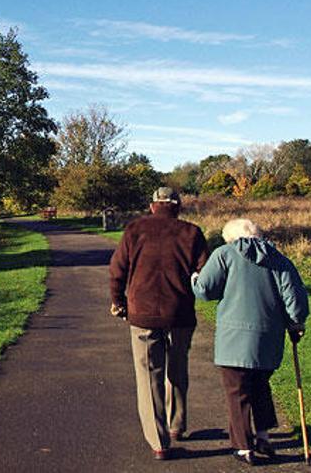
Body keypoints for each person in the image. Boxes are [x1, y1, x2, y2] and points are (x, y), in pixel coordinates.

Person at [192, 218, 308, 466]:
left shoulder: (224, 254)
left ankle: (244, 447)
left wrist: (194, 278)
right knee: (260, 386)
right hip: (269, 338)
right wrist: (297, 324)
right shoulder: (279, 259)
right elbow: (294, 299)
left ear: (231, 238)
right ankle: (264, 436)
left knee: (237, 392)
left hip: (233, 340)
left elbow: (204, 290)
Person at [108, 187, 209, 460]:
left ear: (153, 206)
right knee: (177, 370)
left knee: (148, 376)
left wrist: (118, 301)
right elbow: (204, 274)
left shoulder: (134, 230)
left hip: (142, 314)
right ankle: (176, 425)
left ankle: (159, 441)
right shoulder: (192, 233)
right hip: (180, 314)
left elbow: (117, 269)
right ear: (177, 206)